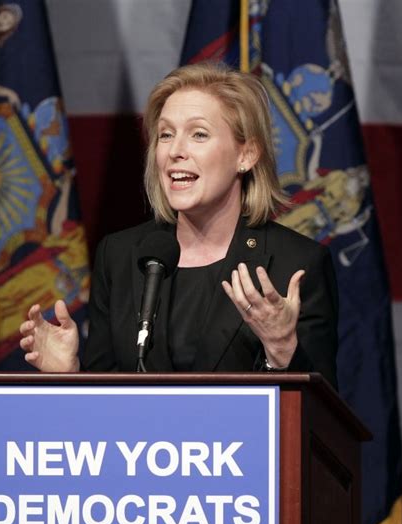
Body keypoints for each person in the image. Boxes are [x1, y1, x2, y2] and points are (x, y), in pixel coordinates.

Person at [19, 63, 338, 388]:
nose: (175, 151)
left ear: (246, 154)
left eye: (198, 134)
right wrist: (69, 374)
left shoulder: (295, 265)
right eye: (166, 135)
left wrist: (283, 350)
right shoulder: (120, 255)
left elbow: (322, 421)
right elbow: (106, 409)